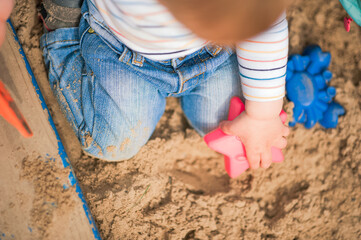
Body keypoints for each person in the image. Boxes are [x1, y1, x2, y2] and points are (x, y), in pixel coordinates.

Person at [39, 0, 290, 170]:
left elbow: (265, 24)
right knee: (113, 141)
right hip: (119, 49)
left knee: (227, 125)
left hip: (210, 53)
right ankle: (66, 40)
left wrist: (262, 115)